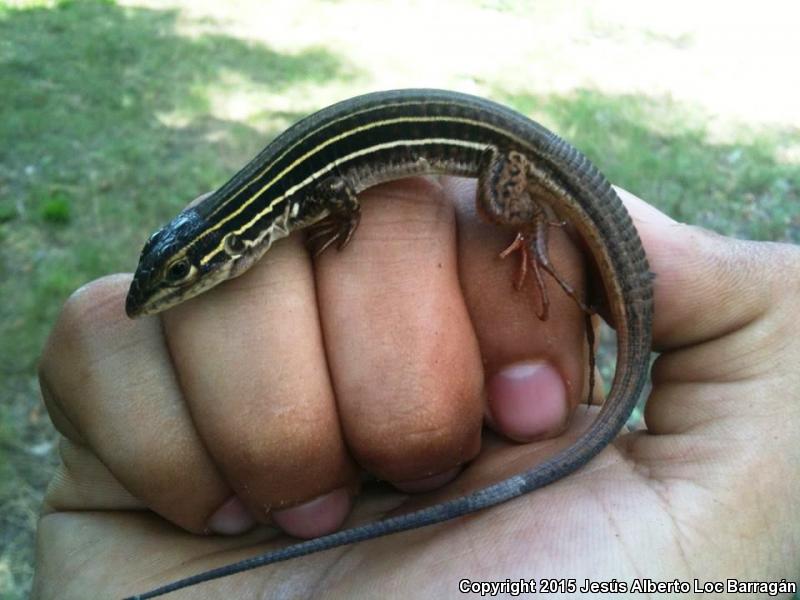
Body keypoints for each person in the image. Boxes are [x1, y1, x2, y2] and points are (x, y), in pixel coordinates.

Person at [33, 177, 799, 598]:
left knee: (501, 209)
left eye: (176, 280)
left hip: (505, 160)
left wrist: (524, 232)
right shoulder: (276, 205)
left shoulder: (285, 205)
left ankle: (525, 230)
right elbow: (336, 201)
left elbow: (340, 201)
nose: (165, 294)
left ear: (224, 250)